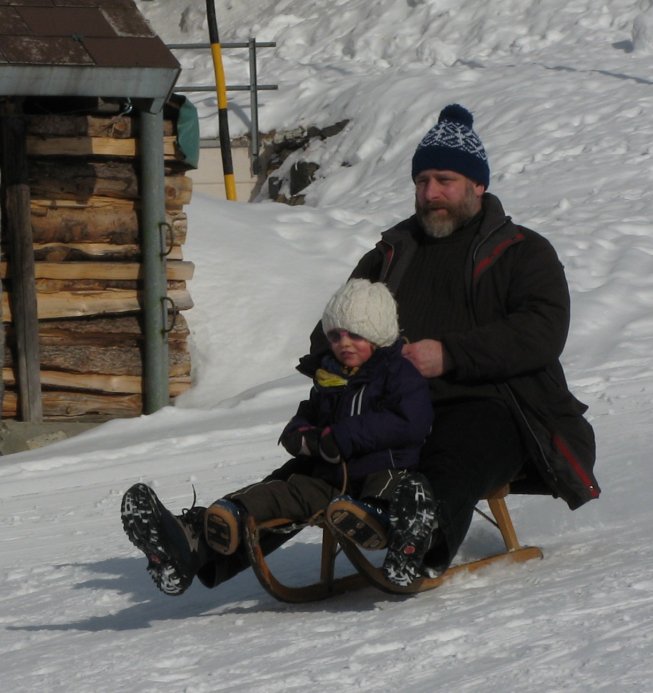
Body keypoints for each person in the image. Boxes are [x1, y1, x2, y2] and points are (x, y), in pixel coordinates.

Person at [313, 103, 600, 586]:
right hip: (394, 405)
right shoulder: (388, 255)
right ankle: (214, 539)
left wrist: (449, 354)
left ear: (478, 185)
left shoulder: (523, 251)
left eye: (444, 180)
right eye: (422, 181)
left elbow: (543, 329)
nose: (430, 194)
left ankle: (420, 546)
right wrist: (344, 362)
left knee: (455, 456)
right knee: (312, 456)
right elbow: (332, 325)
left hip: (496, 406)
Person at [121, 279, 433, 596]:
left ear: (378, 336)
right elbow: (307, 414)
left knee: (389, 488)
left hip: (384, 468)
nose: (344, 343)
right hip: (330, 480)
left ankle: (380, 524)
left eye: (356, 334)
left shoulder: (398, 373)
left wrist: (342, 436)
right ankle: (230, 516)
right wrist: (299, 434)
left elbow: (411, 422)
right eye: (335, 335)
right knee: (285, 491)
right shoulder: (329, 377)